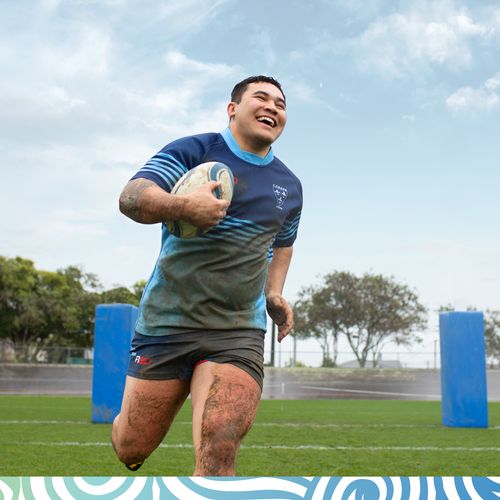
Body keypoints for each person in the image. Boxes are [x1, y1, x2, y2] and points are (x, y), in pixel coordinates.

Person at [112, 75, 303, 475]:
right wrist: (181, 206)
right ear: (232, 108)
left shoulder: (289, 185)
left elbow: (283, 241)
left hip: (237, 329)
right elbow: (131, 198)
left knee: (220, 442)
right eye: (261, 98)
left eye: (280, 104)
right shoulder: (193, 150)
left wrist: (274, 293)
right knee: (132, 447)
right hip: (167, 323)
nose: (272, 107)